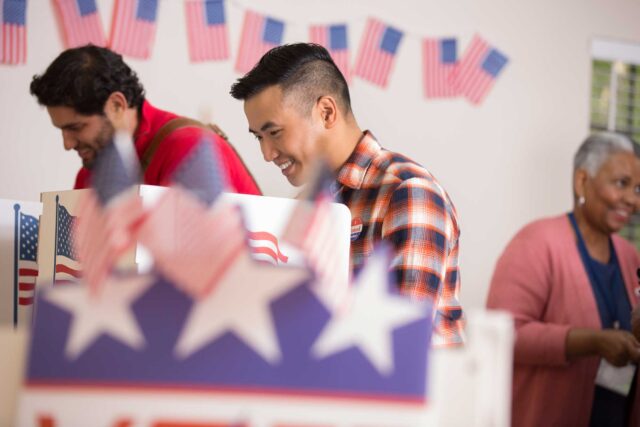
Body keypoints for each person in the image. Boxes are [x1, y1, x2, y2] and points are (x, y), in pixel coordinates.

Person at [230, 43, 463, 346]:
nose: (266, 154)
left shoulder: (407, 192)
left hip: (407, 391)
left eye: (274, 133)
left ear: (326, 113)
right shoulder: (305, 206)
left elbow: (401, 345)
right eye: (259, 138)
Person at [486, 132, 640, 427]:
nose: (632, 200)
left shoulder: (630, 256)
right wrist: (592, 341)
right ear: (582, 181)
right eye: (622, 184)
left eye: (638, 189)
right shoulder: (536, 243)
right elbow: (504, 334)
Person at [30, 45, 260, 195]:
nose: (67, 144)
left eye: (76, 127)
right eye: (61, 130)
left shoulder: (189, 148)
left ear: (117, 105)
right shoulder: (92, 169)